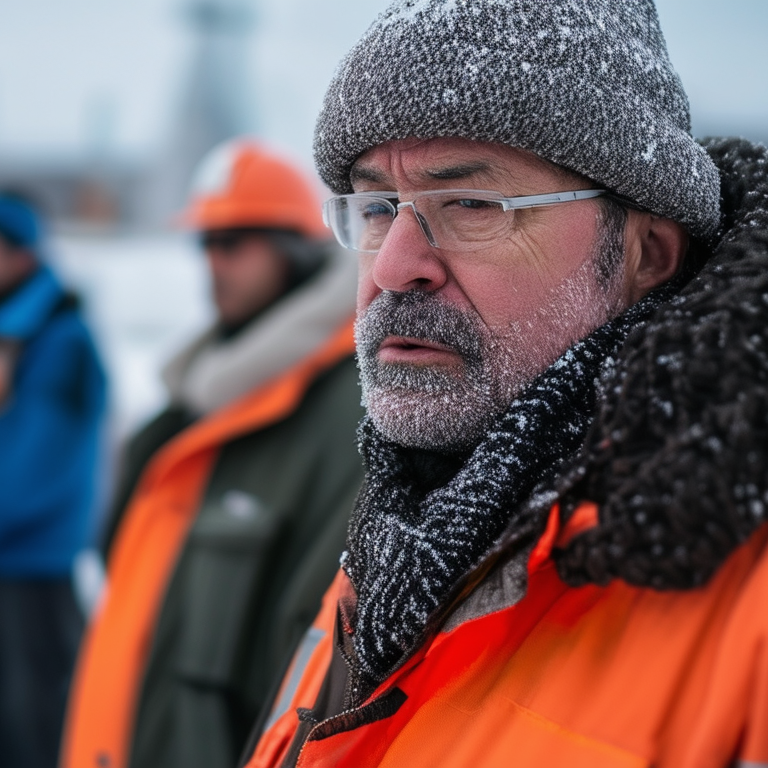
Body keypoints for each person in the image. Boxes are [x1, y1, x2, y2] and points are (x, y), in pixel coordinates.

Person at [240, 2, 768, 767]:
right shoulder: (405, 534)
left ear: (647, 252)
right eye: (378, 208)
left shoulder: (742, 602)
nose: (394, 266)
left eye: (472, 205)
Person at [60, 139, 364, 768]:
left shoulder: (345, 415)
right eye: (206, 243)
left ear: (296, 249)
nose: (214, 264)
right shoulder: (199, 397)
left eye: (235, 243)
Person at [0, 191, 107, 768]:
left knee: (40, 724)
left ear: (20, 254)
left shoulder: (59, 340)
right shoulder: (15, 331)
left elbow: (34, 465)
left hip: (33, 569)